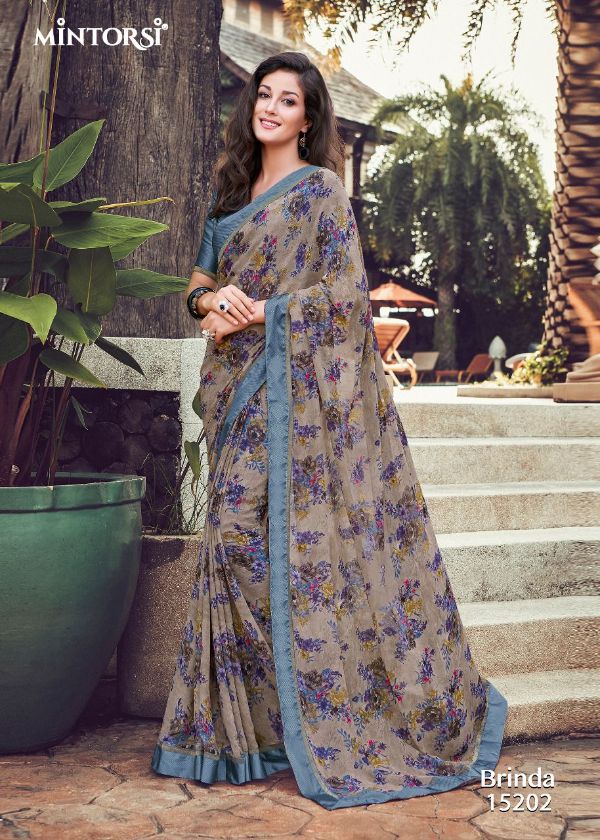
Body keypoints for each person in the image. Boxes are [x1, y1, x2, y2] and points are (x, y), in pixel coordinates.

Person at [151, 51, 508, 810]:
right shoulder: (229, 191)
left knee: (266, 541)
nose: (271, 108)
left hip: (289, 386)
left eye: (288, 100)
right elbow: (197, 283)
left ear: (309, 118)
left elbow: (346, 296)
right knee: (233, 539)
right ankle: (247, 727)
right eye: (264, 95)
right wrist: (211, 305)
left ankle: (313, 709)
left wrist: (266, 312)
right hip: (234, 388)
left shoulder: (320, 193)